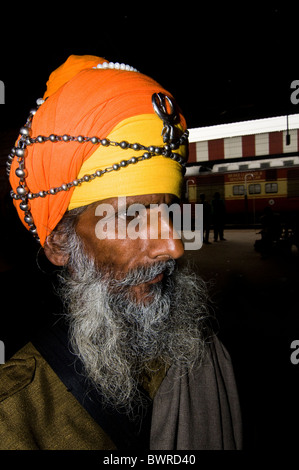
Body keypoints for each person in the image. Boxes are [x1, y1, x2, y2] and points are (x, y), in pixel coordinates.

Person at [0, 55, 242, 450]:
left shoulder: (202, 353)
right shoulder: (14, 421)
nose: (174, 247)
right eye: (132, 219)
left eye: (170, 212)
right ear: (62, 241)